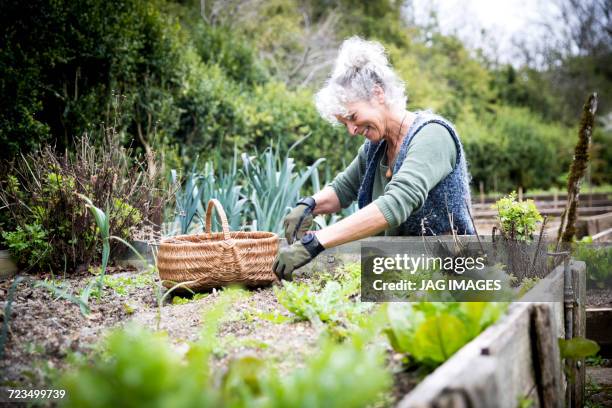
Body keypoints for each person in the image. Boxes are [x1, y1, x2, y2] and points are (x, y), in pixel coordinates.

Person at [273, 36, 474, 280]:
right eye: (344, 123)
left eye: (353, 116)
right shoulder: (376, 146)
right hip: (406, 272)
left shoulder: (433, 134)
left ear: (378, 94)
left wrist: (316, 242)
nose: (351, 130)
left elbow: (396, 203)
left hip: (452, 272)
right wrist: (309, 206)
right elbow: (343, 189)